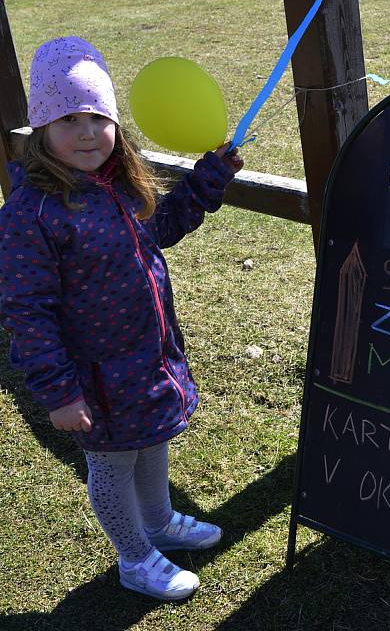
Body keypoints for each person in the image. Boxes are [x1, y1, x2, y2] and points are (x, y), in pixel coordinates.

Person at [0, 36, 244, 600]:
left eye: (97, 117)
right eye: (67, 119)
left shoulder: (117, 185)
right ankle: (135, 559)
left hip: (145, 358)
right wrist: (60, 393)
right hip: (96, 375)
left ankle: (158, 525)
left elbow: (159, 232)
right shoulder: (31, 213)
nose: (86, 132)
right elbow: (26, 311)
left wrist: (209, 178)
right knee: (112, 465)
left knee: (152, 442)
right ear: (41, 130)